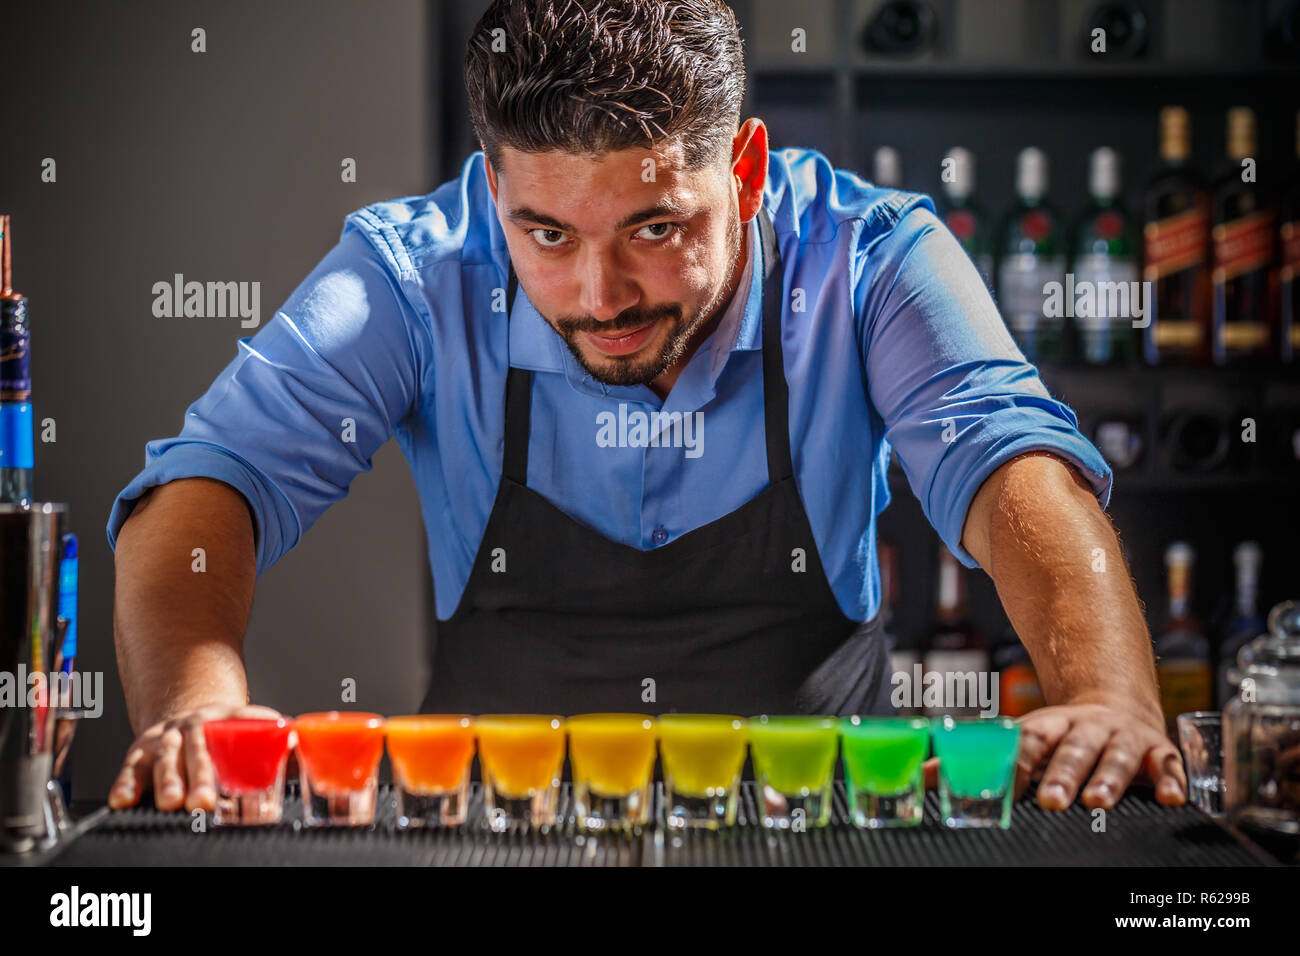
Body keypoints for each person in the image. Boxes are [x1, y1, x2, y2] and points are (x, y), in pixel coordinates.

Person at [105, 0, 1185, 814]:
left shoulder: (868, 258)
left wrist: (1109, 697)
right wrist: (197, 705)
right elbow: (212, 481)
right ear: (493, 193)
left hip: (820, 828)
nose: (600, 295)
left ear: (746, 169)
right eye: (547, 234)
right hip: (487, 828)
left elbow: (1012, 469)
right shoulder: (413, 273)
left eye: (655, 228)